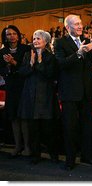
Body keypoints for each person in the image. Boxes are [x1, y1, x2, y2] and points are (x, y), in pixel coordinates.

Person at [53, 14, 92, 171]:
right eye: (76, 24)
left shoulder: (87, 41)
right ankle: (70, 159)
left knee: (87, 127)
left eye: (80, 23)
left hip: (86, 93)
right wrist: (79, 53)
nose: (80, 26)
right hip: (69, 93)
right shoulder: (60, 43)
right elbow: (61, 64)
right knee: (70, 128)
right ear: (68, 27)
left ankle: (87, 156)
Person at [18, 30, 60, 164]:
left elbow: (50, 75)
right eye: (34, 38)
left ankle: (54, 155)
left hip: (45, 97)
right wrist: (31, 64)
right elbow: (22, 72)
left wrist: (40, 62)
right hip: (30, 96)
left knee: (49, 130)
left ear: (46, 41)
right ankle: (36, 155)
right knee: (33, 130)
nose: (35, 41)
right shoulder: (27, 55)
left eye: (38, 39)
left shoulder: (51, 57)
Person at [0, 25, 31, 157]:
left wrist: (14, 63)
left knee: (24, 117)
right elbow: (1, 70)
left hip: (24, 86)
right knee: (14, 117)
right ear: (5, 37)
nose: (11, 36)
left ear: (18, 35)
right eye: (8, 34)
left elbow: (27, 68)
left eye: (14, 33)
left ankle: (28, 147)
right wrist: (7, 67)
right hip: (11, 87)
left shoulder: (26, 49)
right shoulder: (2, 52)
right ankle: (18, 146)